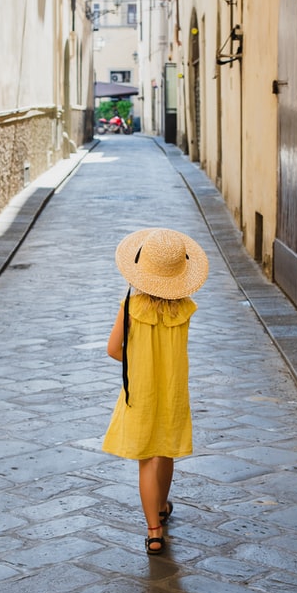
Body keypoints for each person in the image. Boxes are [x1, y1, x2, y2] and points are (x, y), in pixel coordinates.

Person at [102, 227, 209, 555]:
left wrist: (136, 359)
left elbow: (112, 349)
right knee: (166, 450)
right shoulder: (185, 309)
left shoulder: (131, 306)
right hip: (173, 391)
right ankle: (161, 505)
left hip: (143, 392)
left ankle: (153, 531)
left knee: (146, 458)